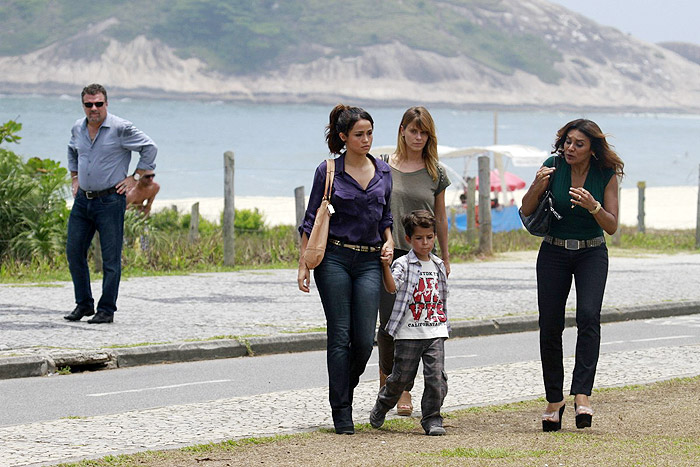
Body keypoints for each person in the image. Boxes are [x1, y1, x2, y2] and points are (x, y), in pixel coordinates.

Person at [520, 119, 624, 431]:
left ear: (592, 149)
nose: (570, 148)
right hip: (553, 251)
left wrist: (594, 207)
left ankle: (582, 395)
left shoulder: (606, 174)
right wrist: (538, 186)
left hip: (592, 251)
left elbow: (612, 225)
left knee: (589, 317)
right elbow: (526, 209)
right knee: (550, 323)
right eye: (567, 141)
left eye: (578, 144)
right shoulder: (552, 166)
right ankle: (555, 400)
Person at [297, 104, 393, 435]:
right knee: (340, 335)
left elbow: (386, 217)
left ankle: (343, 388)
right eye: (358, 135)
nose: (366, 140)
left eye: (369, 133)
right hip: (334, 258)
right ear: (343, 137)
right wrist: (303, 266)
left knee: (364, 339)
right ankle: (342, 410)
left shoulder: (383, 172)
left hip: (369, 260)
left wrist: (389, 241)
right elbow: (311, 220)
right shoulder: (328, 171)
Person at [376, 106, 450, 417]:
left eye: (424, 133)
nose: (418, 137)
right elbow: (376, 209)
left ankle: (406, 388)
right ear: (402, 130)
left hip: (423, 257)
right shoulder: (382, 167)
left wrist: (445, 257)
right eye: (413, 130)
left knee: (419, 325)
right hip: (390, 255)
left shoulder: (436, 172)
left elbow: (441, 219)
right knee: (389, 327)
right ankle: (390, 388)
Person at [64, 83, 157, 324]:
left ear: (106, 104)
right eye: (88, 104)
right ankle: (84, 304)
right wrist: (74, 177)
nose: (93, 108)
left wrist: (134, 178)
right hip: (83, 201)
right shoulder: (78, 127)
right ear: (83, 105)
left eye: (98, 103)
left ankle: (106, 310)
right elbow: (72, 150)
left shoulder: (121, 128)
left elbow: (149, 148)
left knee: (111, 259)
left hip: (110, 201)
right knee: (74, 253)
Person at [370, 210, 450, 436]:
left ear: (434, 236)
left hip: (434, 331)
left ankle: (432, 419)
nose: (425, 243)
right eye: (419, 238)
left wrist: (444, 325)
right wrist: (386, 266)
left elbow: (441, 297)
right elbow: (392, 287)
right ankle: (384, 403)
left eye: (429, 237)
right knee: (401, 378)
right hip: (408, 333)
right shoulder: (403, 264)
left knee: (436, 377)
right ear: (408, 240)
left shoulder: (438, 265)